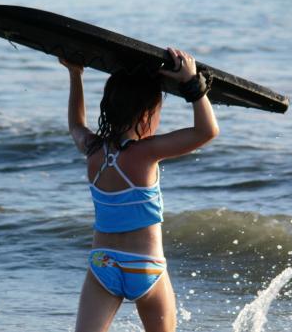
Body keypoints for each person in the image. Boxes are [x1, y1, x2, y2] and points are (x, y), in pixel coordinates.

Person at [59, 47, 219, 332]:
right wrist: (194, 86)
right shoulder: (146, 152)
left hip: (102, 264)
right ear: (147, 113)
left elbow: (76, 125)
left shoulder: (92, 149)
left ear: (109, 107)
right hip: (146, 266)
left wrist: (75, 74)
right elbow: (206, 131)